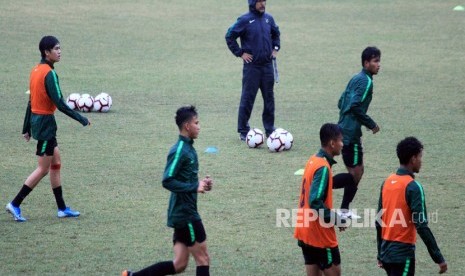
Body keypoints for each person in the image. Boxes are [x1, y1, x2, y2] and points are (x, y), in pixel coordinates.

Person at [5, 35, 90, 222]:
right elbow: (59, 102)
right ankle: (15, 203)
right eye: (56, 49)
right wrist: (81, 118)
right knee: (43, 169)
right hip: (45, 125)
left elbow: (31, 101)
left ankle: (61, 208)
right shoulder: (49, 74)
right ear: (47, 52)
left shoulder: (35, 70)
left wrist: (25, 127)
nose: (59, 52)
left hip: (38, 121)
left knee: (56, 162)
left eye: (60, 48)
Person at [122, 105, 213, 276]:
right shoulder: (179, 150)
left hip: (181, 212)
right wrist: (194, 187)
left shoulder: (189, 148)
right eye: (197, 122)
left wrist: (202, 184)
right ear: (187, 126)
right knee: (203, 260)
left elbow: (184, 179)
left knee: (179, 264)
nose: (199, 126)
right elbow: (167, 180)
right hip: (186, 215)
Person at [376, 137, 447, 275]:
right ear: (413, 158)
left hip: (386, 254)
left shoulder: (387, 182)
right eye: (420, 157)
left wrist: (380, 253)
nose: (421, 161)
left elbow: (378, 220)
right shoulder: (413, 187)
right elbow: (421, 225)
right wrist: (438, 258)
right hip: (402, 255)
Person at [332, 46, 381, 219]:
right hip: (350, 133)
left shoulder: (355, 78)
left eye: (378, 61)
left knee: (356, 172)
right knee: (356, 173)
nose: (378, 65)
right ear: (366, 63)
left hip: (344, 129)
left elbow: (341, 102)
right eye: (375, 61)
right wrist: (371, 124)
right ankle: (322, 185)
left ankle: (344, 209)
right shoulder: (366, 81)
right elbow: (354, 106)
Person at [294, 123, 348, 276]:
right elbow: (315, 201)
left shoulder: (313, 160)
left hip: (305, 231)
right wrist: (336, 219)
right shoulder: (323, 167)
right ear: (332, 143)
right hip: (319, 235)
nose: (342, 145)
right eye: (340, 141)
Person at [225, 0, 281, 140]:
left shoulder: (269, 18)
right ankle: (243, 130)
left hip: (267, 67)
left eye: (264, 1)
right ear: (253, 3)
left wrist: (275, 48)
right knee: (248, 98)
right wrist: (240, 53)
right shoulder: (244, 20)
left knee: (269, 99)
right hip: (252, 68)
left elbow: (276, 33)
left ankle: (269, 129)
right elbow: (229, 36)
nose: (263, 4)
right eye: (260, 1)